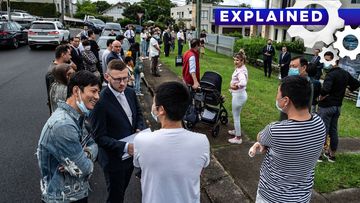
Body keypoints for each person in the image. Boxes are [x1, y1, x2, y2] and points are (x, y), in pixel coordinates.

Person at [250, 75, 326, 203]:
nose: (276, 97)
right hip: (301, 197)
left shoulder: (275, 130)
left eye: (277, 93)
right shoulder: (320, 123)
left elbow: (260, 138)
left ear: (285, 100)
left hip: (271, 197)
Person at [133, 81, 210, 203]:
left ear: (161, 110)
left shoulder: (141, 140)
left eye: (154, 104)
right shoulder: (202, 141)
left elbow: (138, 165)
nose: (153, 107)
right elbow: (200, 170)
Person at [37, 70, 100, 203]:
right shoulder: (63, 125)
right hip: (62, 198)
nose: (97, 96)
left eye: (98, 92)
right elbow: (84, 169)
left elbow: (93, 144)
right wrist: (86, 156)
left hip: (74, 192)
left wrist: (86, 153)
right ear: (76, 90)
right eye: (93, 91)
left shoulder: (78, 116)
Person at [90, 59, 145, 203]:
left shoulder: (131, 92)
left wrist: (140, 128)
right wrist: (126, 147)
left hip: (130, 157)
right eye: (118, 79)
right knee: (115, 197)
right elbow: (99, 137)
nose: (122, 83)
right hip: (113, 160)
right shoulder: (100, 101)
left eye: (125, 78)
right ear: (107, 77)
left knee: (122, 190)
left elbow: (139, 115)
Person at [318, 51, 360, 162]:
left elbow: (325, 89)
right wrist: (347, 90)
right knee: (333, 130)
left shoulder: (331, 74)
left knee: (323, 130)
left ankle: (320, 155)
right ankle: (332, 155)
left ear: (334, 61)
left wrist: (320, 96)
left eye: (327, 60)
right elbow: (356, 84)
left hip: (326, 106)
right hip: (337, 107)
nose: (325, 62)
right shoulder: (345, 73)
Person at [228, 50, 248, 144]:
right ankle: (237, 131)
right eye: (235, 59)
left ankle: (238, 138)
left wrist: (235, 86)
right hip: (240, 95)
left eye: (238, 60)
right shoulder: (242, 68)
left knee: (236, 116)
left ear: (242, 61)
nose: (235, 61)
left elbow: (243, 82)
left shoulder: (241, 71)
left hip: (238, 96)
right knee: (237, 115)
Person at [46, 45, 72, 114]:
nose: (70, 57)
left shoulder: (63, 67)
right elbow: (53, 94)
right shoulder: (52, 72)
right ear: (63, 55)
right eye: (69, 54)